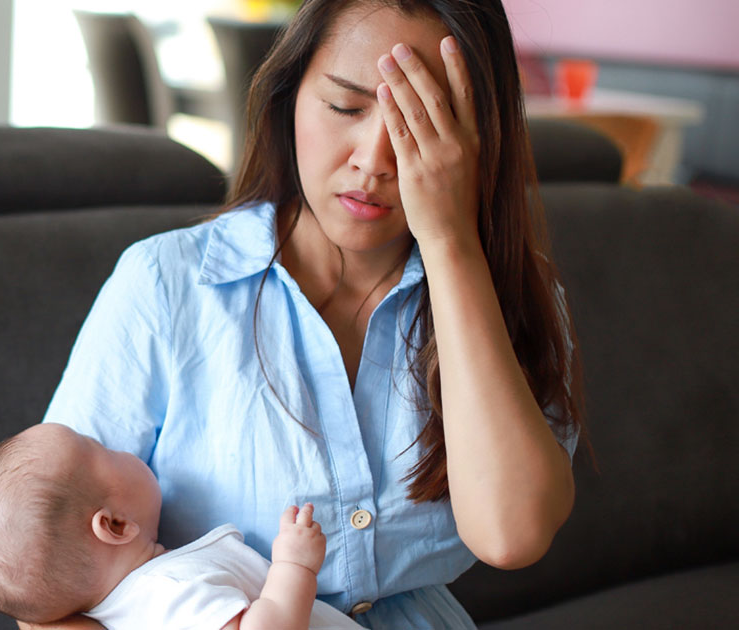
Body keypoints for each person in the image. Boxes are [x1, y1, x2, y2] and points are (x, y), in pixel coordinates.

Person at [31, 0, 585, 627]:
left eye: (422, 127)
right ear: (289, 95)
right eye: (346, 107)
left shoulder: (507, 298)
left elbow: (512, 534)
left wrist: (450, 239)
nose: (375, 160)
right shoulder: (165, 286)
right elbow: (49, 579)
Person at [0, 423, 363, 630]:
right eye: (104, 450)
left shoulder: (135, 612)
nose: (123, 447)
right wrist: (295, 567)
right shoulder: (170, 594)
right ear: (114, 524)